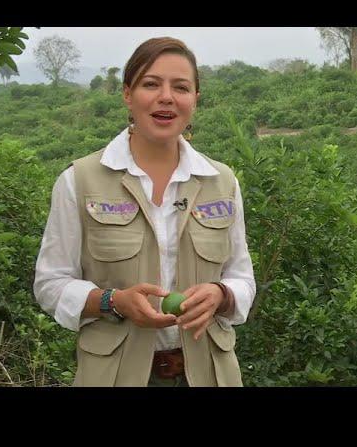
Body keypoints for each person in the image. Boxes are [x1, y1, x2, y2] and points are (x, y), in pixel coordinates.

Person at [33, 37, 256, 387]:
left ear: (195, 99)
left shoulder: (222, 182)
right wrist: (113, 301)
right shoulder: (79, 180)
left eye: (180, 87)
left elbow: (242, 279)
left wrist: (221, 294)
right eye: (151, 84)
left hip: (210, 375)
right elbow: (50, 284)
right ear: (127, 94)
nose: (166, 97)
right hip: (113, 376)